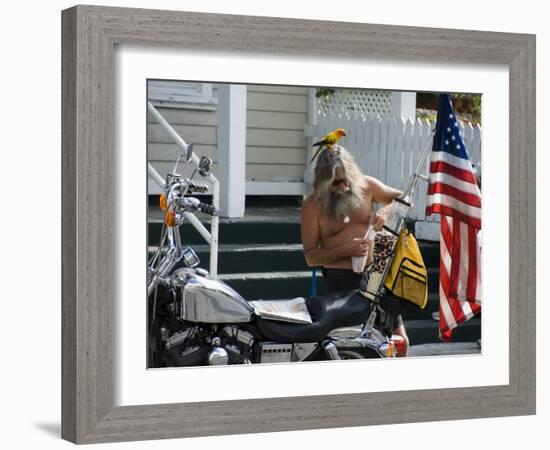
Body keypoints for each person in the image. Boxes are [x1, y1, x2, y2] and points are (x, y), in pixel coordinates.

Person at [300, 145, 409, 356]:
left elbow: (404, 198)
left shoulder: (366, 186)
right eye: (335, 183)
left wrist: (386, 212)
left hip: (376, 276)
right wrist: (346, 250)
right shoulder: (312, 206)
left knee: (399, 341)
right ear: (322, 182)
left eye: (345, 180)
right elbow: (311, 257)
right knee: (350, 345)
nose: (342, 187)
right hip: (340, 282)